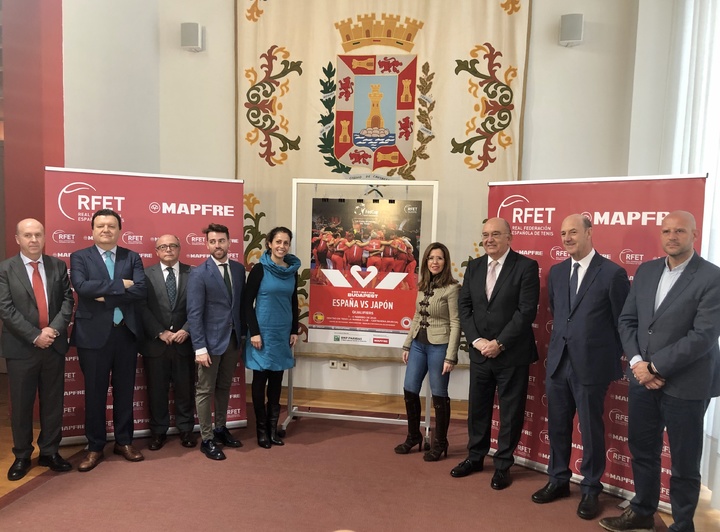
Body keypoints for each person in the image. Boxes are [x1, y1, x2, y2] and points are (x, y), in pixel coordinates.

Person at [600, 211, 720, 532]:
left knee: (684, 462)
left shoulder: (712, 277)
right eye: (666, 230)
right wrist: (639, 363)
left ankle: (682, 525)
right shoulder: (647, 270)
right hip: (642, 380)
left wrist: (655, 366)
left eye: (679, 231)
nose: (672, 236)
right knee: (643, 449)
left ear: (694, 235)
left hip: (687, 385)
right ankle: (641, 511)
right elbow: (628, 321)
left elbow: (704, 335)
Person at [531, 214, 630, 520]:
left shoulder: (612, 273)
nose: (567, 237)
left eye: (573, 231)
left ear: (589, 233)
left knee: (590, 430)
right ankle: (558, 480)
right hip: (559, 362)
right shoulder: (557, 272)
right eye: (563, 233)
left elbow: (621, 322)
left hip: (592, 367)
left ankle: (590, 489)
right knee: (558, 427)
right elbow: (559, 313)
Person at [451, 217, 539, 490]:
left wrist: (499, 343)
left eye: (496, 234)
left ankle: (503, 465)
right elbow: (465, 307)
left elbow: (526, 311)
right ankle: (475, 457)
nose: (489, 239)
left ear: (509, 238)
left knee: (511, 413)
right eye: (485, 234)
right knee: (478, 410)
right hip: (479, 353)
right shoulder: (475, 267)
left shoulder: (525, 267)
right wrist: (477, 340)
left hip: (511, 354)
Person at [70, 209, 147, 472]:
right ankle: (94, 447)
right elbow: (82, 287)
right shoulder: (80, 256)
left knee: (125, 392)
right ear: (92, 230)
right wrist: (120, 284)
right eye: (101, 226)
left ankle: (124, 441)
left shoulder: (132, 256)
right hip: (93, 337)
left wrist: (105, 292)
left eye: (111, 226)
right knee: (94, 393)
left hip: (126, 334)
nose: (106, 230)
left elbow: (140, 290)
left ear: (119, 230)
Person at [0, 219, 74, 480]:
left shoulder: (57, 265)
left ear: (44, 238)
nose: (33, 239)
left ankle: (50, 451)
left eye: (38, 235)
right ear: (17, 239)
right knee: (21, 405)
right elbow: (5, 309)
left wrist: (51, 331)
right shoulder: (5, 269)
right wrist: (34, 336)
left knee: (53, 402)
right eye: (27, 235)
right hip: (22, 348)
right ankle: (21, 455)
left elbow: (67, 300)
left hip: (53, 345)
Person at [395, 242, 460, 461]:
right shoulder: (422, 284)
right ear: (425, 261)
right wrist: (407, 343)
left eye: (439, 258)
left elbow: (456, 323)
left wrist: (451, 355)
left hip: (439, 346)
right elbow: (416, 316)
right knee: (409, 389)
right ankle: (414, 435)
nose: (434, 262)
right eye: (431, 258)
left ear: (446, 261)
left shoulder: (452, 288)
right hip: (418, 345)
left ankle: (441, 442)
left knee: (439, 394)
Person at [187, 223, 246, 460]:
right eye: (212, 241)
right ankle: (207, 438)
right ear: (207, 244)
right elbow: (194, 313)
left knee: (224, 387)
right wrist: (199, 347)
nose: (217, 245)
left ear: (229, 242)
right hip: (209, 345)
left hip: (232, 341)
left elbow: (239, 306)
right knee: (204, 391)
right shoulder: (199, 273)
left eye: (221, 241)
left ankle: (221, 429)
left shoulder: (239, 269)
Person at [244, 227, 301, 448]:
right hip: (262, 332)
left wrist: (294, 330)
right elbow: (247, 304)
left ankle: (272, 428)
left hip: (282, 333)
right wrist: (254, 332)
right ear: (269, 243)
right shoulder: (259, 269)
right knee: (260, 381)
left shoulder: (292, 270)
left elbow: (293, 302)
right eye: (278, 242)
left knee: (277, 381)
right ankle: (261, 431)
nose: (282, 246)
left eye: (286, 243)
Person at [139, 234, 196, 450]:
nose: (168, 249)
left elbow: (199, 306)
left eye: (173, 245)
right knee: (156, 391)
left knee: (185, 390)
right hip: (156, 344)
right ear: (156, 251)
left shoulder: (194, 273)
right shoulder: (145, 275)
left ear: (180, 248)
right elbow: (141, 307)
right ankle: (158, 432)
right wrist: (159, 331)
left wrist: (186, 330)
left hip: (184, 342)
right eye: (163, 246)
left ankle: (186, 429)